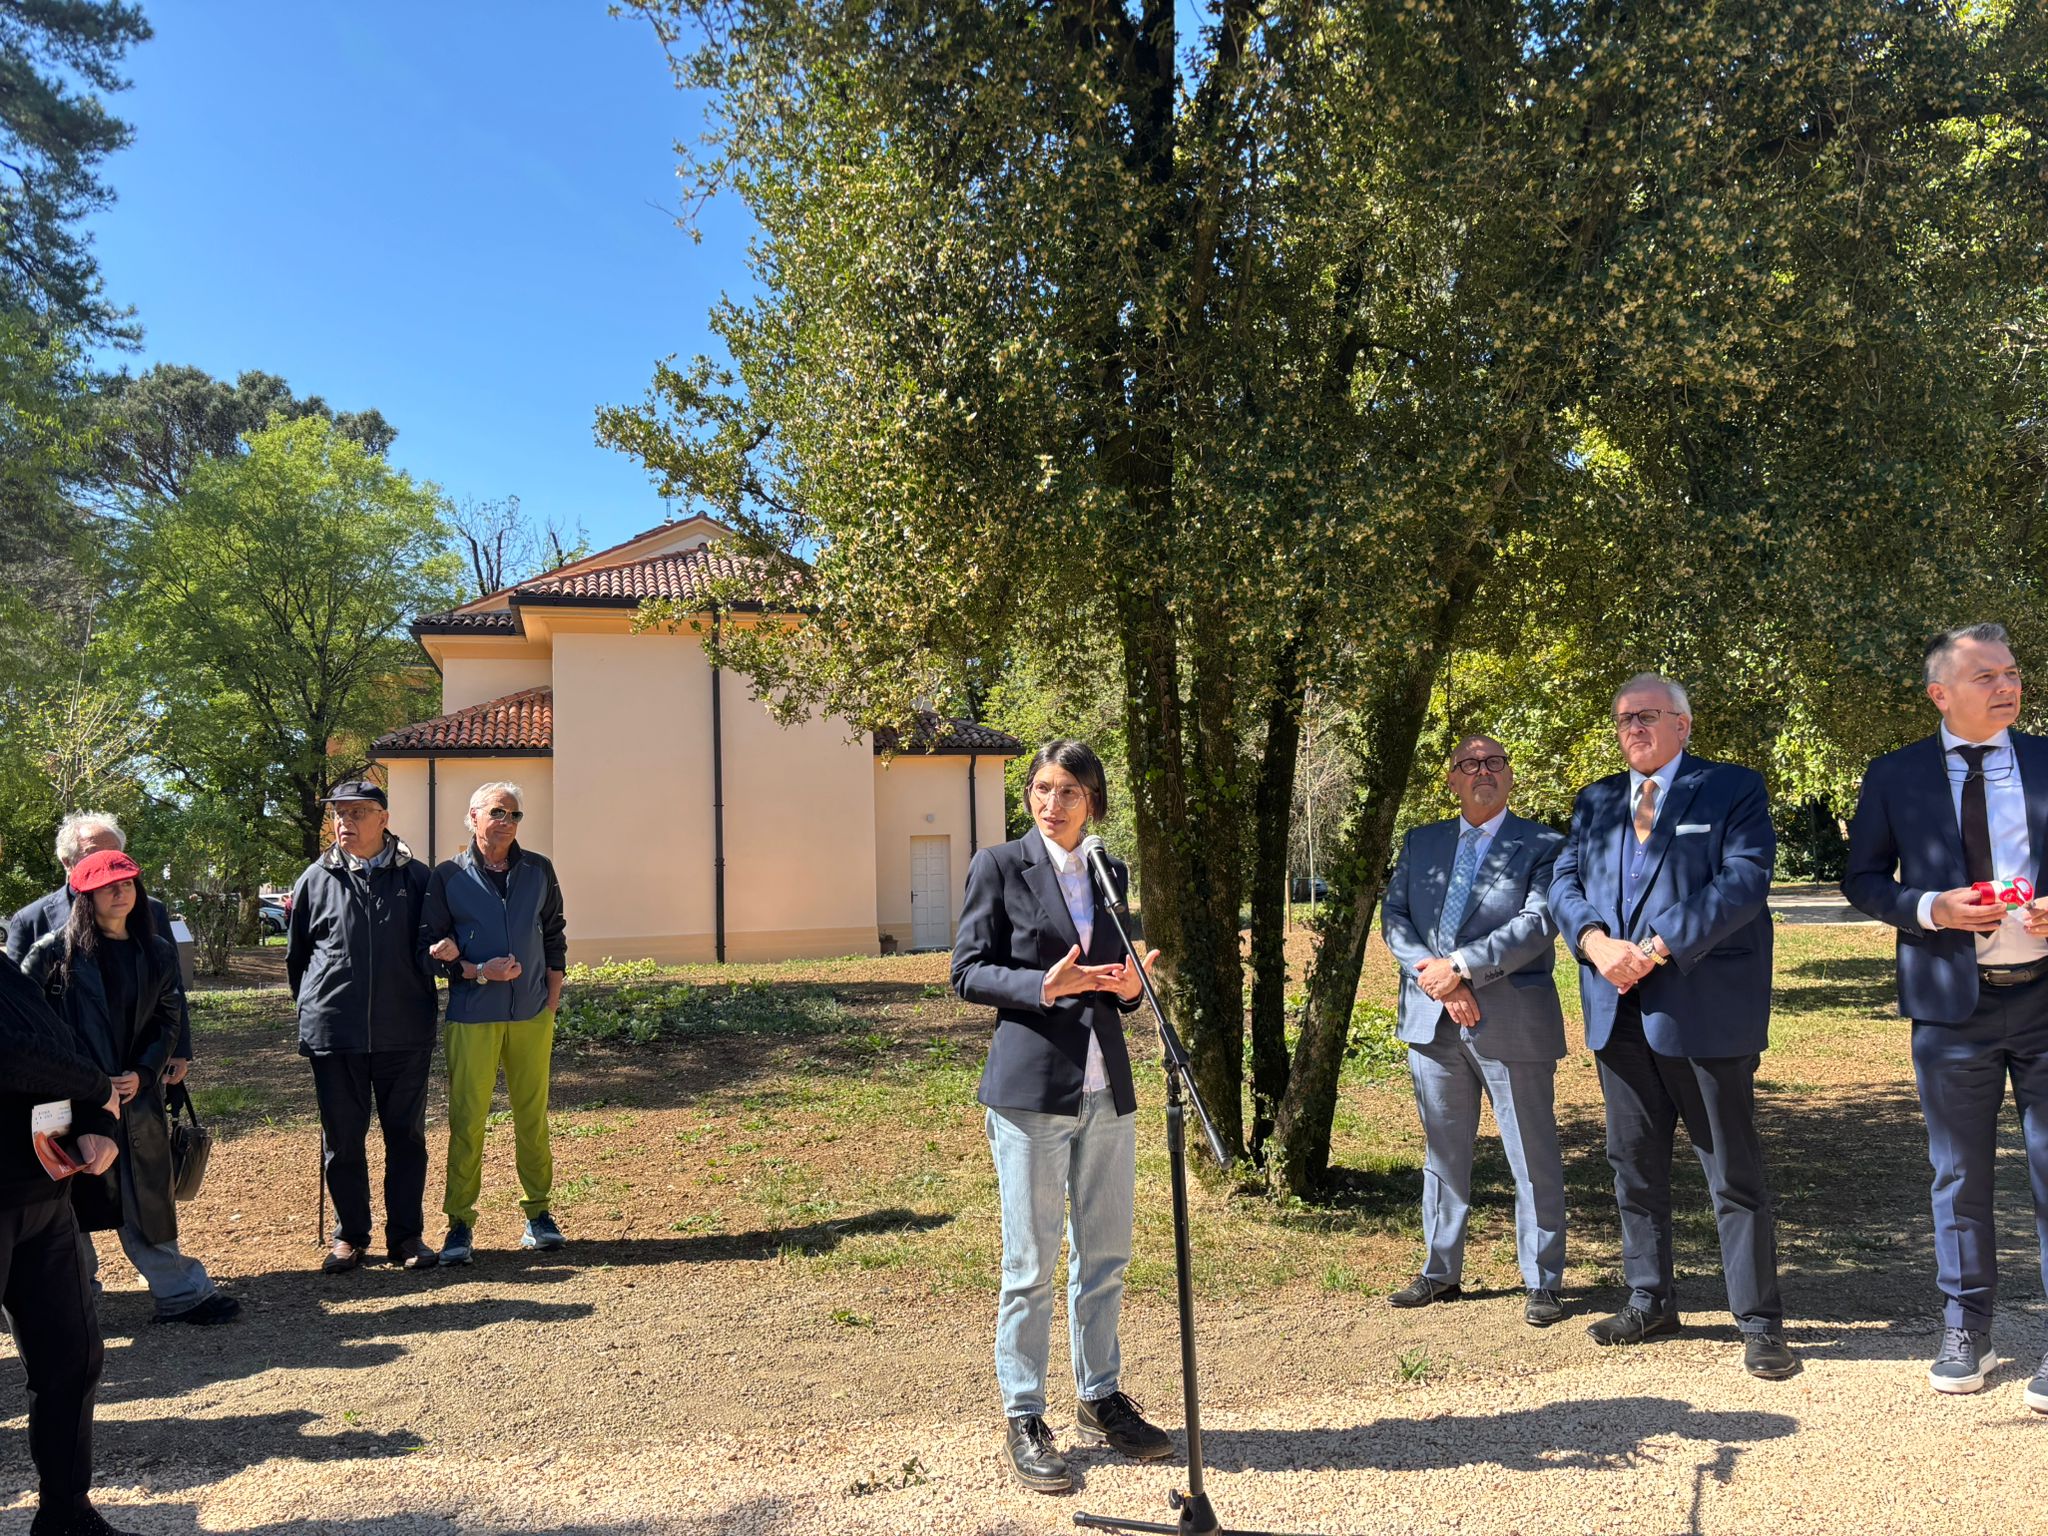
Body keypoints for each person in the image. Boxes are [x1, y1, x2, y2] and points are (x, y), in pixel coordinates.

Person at [1549, 673, 1794, 1379]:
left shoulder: (1732, 789)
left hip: (1702, 1009)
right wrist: (1595, 944)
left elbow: (1744, 881)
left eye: (1648, 717)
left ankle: (1759, 1321)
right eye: (1624, 718)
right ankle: (1650, 1298)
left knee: (1732, 1173)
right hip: (1616, 1010)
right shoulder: (1596, 801)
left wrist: (1655, 947)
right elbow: (1564, 881)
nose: (1634, 729)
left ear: (1683, 726)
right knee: (1633, 1166)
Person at [951, 739, 1169, 1495]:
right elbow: (967, 971)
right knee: (1032, 1262)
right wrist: (1043, 986)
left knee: (1105, 1255)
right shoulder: (999, 866)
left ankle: (1100, 1395)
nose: (1053, 802)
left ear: (1093, 800)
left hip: (1108, 1088)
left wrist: (1131, 984)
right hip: (1031, 1091)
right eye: (1043, 788)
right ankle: (1024, 1413)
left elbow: (1116, 975)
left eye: (1070, 790)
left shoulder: (1110, 872)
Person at [1842, 623, 2048, 1408]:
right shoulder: (1895, 775)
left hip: (2044, 998)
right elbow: (1861, 877)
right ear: (1941, 693)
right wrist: (1930, 907)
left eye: (2014, 672)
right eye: (1986, 675)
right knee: (1958, 1175)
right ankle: (1967, 1329)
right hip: (1947, 1007)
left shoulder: (2046, 760)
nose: (2008, 686)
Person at [1380, 734, 1570, 1327]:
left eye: (1493, 762)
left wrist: (1461, 969)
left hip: (1511, 1017)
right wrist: (1435, 978)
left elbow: (1538, 922)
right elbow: (1396, 916)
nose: (1481, 770)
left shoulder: (1544, 844)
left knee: (1530, 1151)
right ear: (1452, 778)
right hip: (1431, 1017)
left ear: (1510, 776)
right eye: (1469, 764)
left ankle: (1542, 1280)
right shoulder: (1422, 841)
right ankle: (1441, 1272)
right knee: (1443, 1151)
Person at [21, 851, 238, 1326]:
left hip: (136, 1098)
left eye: (127, 883)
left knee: (146, 1196)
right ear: (85, 894)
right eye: (107, 885)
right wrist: (82, 1079)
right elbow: (29, 1024)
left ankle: (181, 1294)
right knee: (69, 1200)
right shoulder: (52, 953)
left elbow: (167, 1018)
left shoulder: (155, 950)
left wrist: (143, 1071)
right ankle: (71, 1300)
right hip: (68, 1098)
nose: (120, 891)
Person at [1, 935, 135, 1536]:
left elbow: (59, 1041)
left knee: (72, 1361)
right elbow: (12, 1055)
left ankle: (66, 1514)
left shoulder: (6, 970)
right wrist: (96, 1085)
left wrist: (98, 1120)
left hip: (43, 1197)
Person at [285, 779, 441, 1273]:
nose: (344, 822)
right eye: (338, 813)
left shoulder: (418, 878)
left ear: (384, 819)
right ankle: (350, 1235)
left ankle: (406, 1237)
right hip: (336, 1033)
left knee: (406, 1137)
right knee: (343, 1141)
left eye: (356, 813)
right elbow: (298, 958)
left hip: (404, 1031)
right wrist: (317, 1007)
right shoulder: (314, 878)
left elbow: (430, 947)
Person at [421, 782, 567, 1264]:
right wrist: (477, 971)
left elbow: (554, 931)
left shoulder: (538, 870)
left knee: (533, 1116)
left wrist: (552, 994)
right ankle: (459, 1224)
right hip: (472, 1016)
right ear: (473, 817)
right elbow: (431, 947)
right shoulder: (446, 877)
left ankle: (539, 1215)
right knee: (468, 1120)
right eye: (498, 812)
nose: (507, 821)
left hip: (530, 1014)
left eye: (515, 815)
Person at [7, 812, 193, 1088]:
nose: (108, 867)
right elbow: (18, 1007)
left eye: (115, 856)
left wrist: (176, 1051)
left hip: (136, 1070)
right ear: (67, 862)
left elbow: (170, 993)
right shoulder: (32, 921)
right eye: (92, 855)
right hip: (66, 1077)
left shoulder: (149, 910)